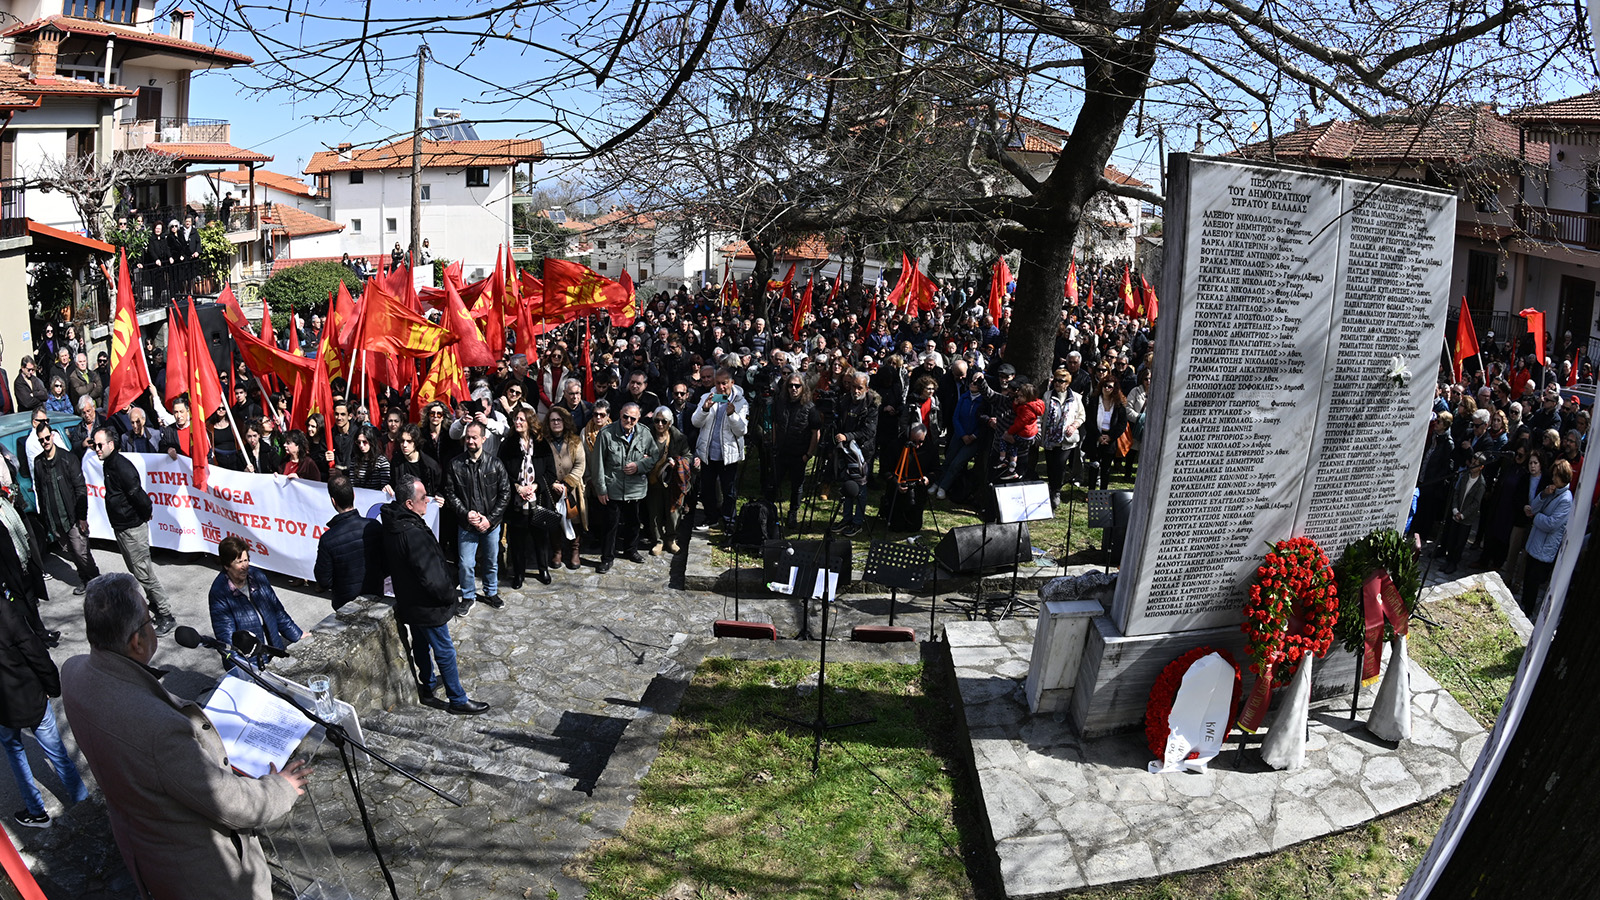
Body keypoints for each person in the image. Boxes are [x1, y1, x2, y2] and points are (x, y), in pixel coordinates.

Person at [62, 573, 311, 899]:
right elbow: (233, 805)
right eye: (149, 619)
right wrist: (281, 789)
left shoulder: (73, 671)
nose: (153, 626)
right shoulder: (157, 728)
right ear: (137, 642)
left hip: (144, 850)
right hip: (205, 877)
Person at [382, 475, 491, 714]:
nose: (428, 500)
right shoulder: (412, 533)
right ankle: (457, 698)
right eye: (422, 498)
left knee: (421, 643)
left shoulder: (393, 524)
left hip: (412, 602)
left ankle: (429, 686)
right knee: (444, 650)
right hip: (427, 604)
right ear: (409, 504)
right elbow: (430, 575)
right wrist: (448, 596)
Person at [0, 548, 86, 828]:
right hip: (31, 695)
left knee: (15, 754)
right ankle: (83, 803)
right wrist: (51, 683)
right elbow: (33, 649)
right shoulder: (5, 610)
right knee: (57, 752)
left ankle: (36, 812)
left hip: (4, 707)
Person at [92, 426, 177, 635]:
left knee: (145, 573)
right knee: (136, 571)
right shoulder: (108, 464)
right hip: (121, 528)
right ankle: (155, 605)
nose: (97, 449)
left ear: (111, 444)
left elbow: (139, 496)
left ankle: (166, 614)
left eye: (100, 445)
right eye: (94, 445)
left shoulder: (122, 467)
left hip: (132, 529)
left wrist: (145, 513)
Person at [208, 536, 303, 668]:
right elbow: (226, 637)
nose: (244, 566)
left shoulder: (257, 576)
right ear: (226, 566)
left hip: (274, 651)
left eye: (246, 560)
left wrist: (298, 635)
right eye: (239, 562)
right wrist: (241, 668)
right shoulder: (219, 593)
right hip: (250, 662)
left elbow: (277, 610)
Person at [445, 420, 511, 612]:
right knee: (466, 563)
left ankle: (491, 592)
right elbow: (450, 493)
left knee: (491, 561)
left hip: (491, 523)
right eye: (468, 437)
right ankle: (468, 596)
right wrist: (466, 515)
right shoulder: (455, 464)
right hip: (467, 524)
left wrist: (490, 519)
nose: (470, 441)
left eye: (474, 437)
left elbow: (505, 493)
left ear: (483, 438)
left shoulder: (496, 464)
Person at [592, 401, 660, 573]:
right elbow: (597, 463)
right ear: (619, 415)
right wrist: (600, 488)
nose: (628, 420)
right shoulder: (606, 433)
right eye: (625, 417)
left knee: (633, 522)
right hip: (613, 486)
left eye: (633, 418)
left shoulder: (644, 433)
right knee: (610, 525)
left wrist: (639, 466)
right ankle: (607, 558)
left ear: (638, 419)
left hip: (635, 487)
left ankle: (631, 550)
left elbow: (654, 455)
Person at [33, 423, 99, 594]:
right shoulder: (38, 462)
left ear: (53, 436)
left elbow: (80, 488)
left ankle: (97, 582)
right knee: (71, 552)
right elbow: (40, 491)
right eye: (41, 440)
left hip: (73, 518)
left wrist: (82, 517)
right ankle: (85, 580)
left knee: (81, 552)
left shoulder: (67, 459)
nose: (45, 442)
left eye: (47, 438)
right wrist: (45, 519)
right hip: (56, 521)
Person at [689, 368, 749, 532]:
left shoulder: (740, 402)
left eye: (724, 383)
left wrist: (732, 415)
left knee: (728, 490)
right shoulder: (706, 397)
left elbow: (742, 430)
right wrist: (705, 409)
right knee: (707, 488)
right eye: (718, 383)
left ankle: (729, 521)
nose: (721, 388)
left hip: (728, 454)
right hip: (708, 452)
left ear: (732, 383)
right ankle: (711, 517)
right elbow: (695, 422)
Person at [499, 408, 553, 588]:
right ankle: (519, 573)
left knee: (541, 536)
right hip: (516, 502)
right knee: (517, 539)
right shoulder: (508, 445)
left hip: (538, 500)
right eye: (516, 419)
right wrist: (518, 487)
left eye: (521, 419)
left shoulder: (542, 444)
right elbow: (502, 471)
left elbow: (550, 472)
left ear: (530, 421)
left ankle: (543, 569)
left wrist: (536, 486)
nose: (518, 422)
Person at [315, 474, 385, 610]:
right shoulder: (374, 526)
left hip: (345, 604)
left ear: (333, 501)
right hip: (375, 597)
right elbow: (387, 563)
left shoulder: (328, 539)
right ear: (353, 495)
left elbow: (323, 580)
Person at [764, 373, 821, 527]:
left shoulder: (810, 408)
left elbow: (816, 433)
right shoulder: (780, 403)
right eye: (790, 386)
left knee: (797, 486)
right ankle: (768, 511)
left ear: (803, 388)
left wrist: (808, 454)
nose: (793, 389)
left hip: (799, 454)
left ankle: (793, 513)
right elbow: (775, 424)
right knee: (773, 483)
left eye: (797, 386)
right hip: (781, 451)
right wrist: (774, 445)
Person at [1521, 458, 1572, 617]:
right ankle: (1522, 605)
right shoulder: (1550, 491)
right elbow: (1533, 507)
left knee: (1534, 583)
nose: (1553, 479)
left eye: (1557, 476)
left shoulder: (1566, 499)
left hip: (1544, 548)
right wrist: (1543, 495)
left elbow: (1552, 524)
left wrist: (1536, 517)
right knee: (1527, 579)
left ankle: (1527, 611)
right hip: (1535, 542)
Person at [832, 371, 879, 535]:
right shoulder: (844, 400)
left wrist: (847, 436)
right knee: (846, 485)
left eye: (860, 387)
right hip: (845, 450)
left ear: (866, 388)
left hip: (862, 452)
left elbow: (869, 431)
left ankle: (858, 521)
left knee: (860, 488)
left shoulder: (872, 405)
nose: (856, 391)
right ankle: (846, 519)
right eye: (853, 386)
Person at [644, 406, 691, 555]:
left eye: (663, 421)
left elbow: (688, 456)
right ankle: (658, 541)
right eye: (657, 421)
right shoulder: (647, 436)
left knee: (673, 512)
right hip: (653, 480)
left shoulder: (679, 438)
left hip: (672, 481)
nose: (660, 424)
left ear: (669, 423)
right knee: (654, 512)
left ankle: (671, 539)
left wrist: (677, 462)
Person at [545, 406, 586, 570]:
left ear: (565, 421)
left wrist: (568, 483)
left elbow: (580, 464)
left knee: (574, 518)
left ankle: (575, 551)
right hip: (551, 488)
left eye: (559, 419)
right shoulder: (544, 442)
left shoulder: (575, 441)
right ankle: (557, 551)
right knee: (554, 519)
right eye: (553, 420)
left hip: (572, 489)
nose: (556, 422)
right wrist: (552, 483)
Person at [1041, 366, 1086, 510]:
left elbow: (1082, 416)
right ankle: (1051, 488)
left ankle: (1056, 492)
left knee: (1060, 465)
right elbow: (1042, 416)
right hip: (1050, 438)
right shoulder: (1047, 395)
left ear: (1067, 383)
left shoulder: (1076, 398)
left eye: (1061, 381)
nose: (1057, 383)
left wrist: (1074, 426)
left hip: (1066, 440)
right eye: (1055, 380)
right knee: (1051, 465)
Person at [1081, 365, 1128, 491]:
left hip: (1110, 438)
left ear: (1114, 389)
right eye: (1104, 386)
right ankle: (1091, 492)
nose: (1107, 389)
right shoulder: (1094, 401)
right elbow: (1089, 420)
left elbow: (1122, 424)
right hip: (1096, 436)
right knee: (1093, 466)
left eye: (1110, 387)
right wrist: (1098, 436)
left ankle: (1103, 493)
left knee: (1106, 469)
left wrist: (1110, 436)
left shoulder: (1119, 405)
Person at [1440, 453, 1486, 574]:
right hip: (1457, 512)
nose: (1472, 465)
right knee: (1452, 538)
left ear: (1481, 467)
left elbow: (1476, 503)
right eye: (1472, 462)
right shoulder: (1465, 475)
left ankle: (1454, 562)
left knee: (1460, 542)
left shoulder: (1481, 484)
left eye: (1476, 464)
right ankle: (1448, 560)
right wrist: (1455, 509)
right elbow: (1457, 492)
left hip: (1466, 518)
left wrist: (1463, 514)